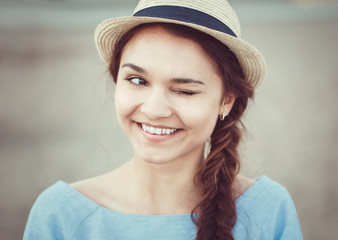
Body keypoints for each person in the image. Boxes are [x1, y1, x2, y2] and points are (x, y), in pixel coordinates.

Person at [23, 0, 302, 239]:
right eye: (137, 80)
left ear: (226, 100)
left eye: (184, 90)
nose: (155, 109)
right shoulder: (61, 215)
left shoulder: (267, 210)